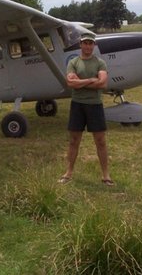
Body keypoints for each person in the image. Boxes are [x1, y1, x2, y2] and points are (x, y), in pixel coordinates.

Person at [58, 32, 114, 186]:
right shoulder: (73, 62)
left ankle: (106, 175)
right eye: (85, 43)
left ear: (93, 46)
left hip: (95, 104)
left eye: (91, 43)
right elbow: (70, 84)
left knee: (101, 141)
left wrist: (80, 82)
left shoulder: (100, 63)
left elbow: (102, 84)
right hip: (78, 104)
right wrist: (91, 80)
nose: (88, 46)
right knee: (74, 140)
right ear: (80, 45)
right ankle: (68, 173)